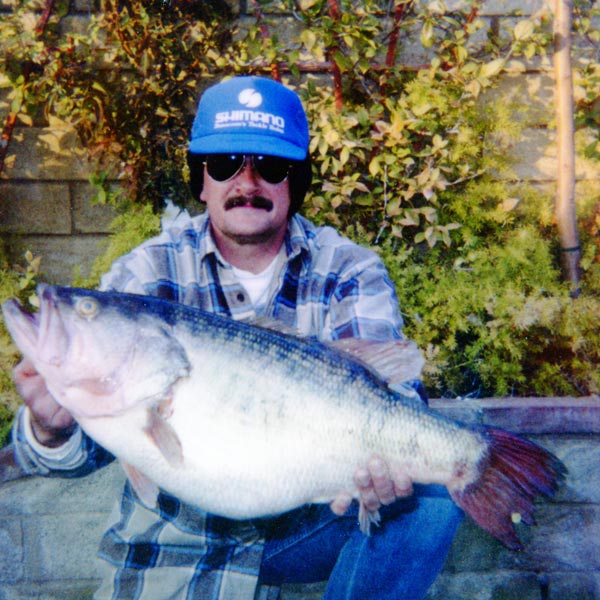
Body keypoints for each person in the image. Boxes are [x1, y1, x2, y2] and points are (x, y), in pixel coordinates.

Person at [11, 75, 463, 600]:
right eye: (225, 164)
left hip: (300, 523)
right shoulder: (147, 273)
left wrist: (386, 472)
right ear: (200, 180)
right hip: (177, 543)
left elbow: (395, 401)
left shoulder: (348, 269)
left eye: (271, 167)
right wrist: (48, 426)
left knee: (432, 498)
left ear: (296, 181)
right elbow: (68, 458)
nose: (247, 183)